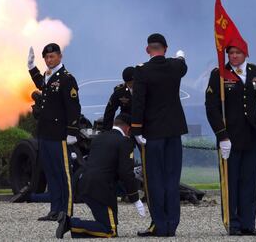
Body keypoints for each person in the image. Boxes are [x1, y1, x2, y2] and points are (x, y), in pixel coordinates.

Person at [205, 38, 256, 236]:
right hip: (230, 137)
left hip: (252, 136)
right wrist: (222, 136)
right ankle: (233, 224)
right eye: (231, 52)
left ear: (246, 53)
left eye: (238, 52)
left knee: (250, 182)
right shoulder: (219, 74)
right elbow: (212, 108)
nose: (234, 56)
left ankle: (248, 224)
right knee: (231, 182)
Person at [131, 33, 187, 237]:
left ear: (148, 50)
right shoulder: (175, 67)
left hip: (152, 133)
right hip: (174, 131)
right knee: (172, 179)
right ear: (165, 48)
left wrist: (136, 129)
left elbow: (138, 103)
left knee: (155, 180)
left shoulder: (142, 71)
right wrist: (180, 57)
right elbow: (183, 65)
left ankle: (159, 226)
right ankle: (172, 225)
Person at [55, 113, 145, 239]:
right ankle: (70, 223)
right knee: (110, 231)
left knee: (109, 226)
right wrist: (135, 198)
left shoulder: (99, 138)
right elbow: (126, 173)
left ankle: (73, 226)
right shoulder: (124, 142)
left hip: (84, 183)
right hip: (100, 189)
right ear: (128, 129)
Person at [26, 43, 81, 221]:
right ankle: (55, 209)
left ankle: (66, 211)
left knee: (63, 174)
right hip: (46, 133)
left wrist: (72, 131)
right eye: (46, 58)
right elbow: (42, 85)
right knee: (50, 172)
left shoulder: (67, 78)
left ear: (60, 56)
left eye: (52, 57)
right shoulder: (48, 76)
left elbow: (73, 107)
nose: (49, 60)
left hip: (60, 134)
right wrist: (32, 68)